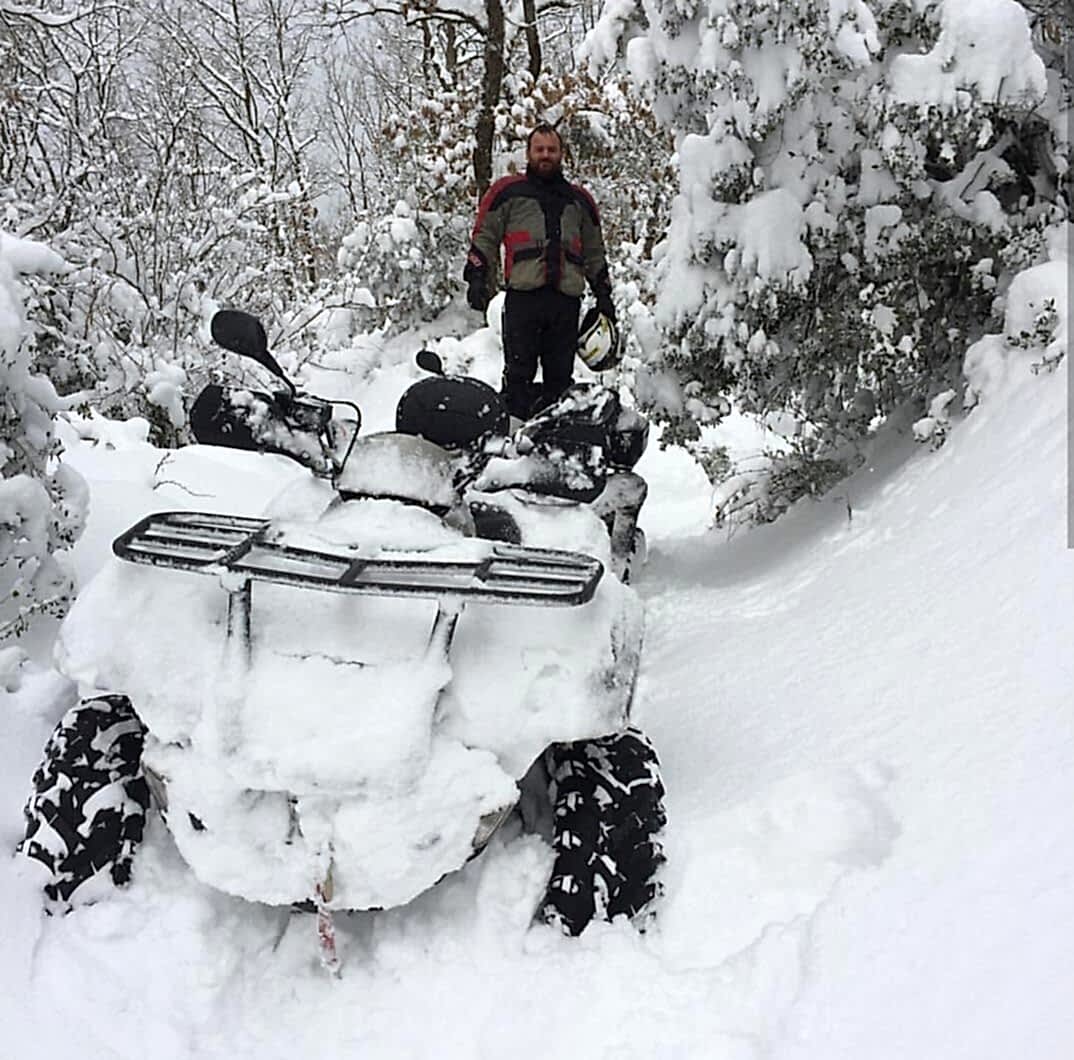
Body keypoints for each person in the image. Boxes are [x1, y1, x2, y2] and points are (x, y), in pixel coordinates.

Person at [463, 123, 616, 420]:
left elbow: (595, 252)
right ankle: (511, 447)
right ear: (528, 154)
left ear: (561, 154)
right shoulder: (508, 192)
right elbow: (485, 235)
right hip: (523, 301)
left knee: (560, 382)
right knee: (518, 377)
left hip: (565, 303)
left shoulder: (580, 201)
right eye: (539, 150)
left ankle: (556, 448)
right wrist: (477, 276)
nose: (546, 155)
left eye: (552, 150)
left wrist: (604, 296)